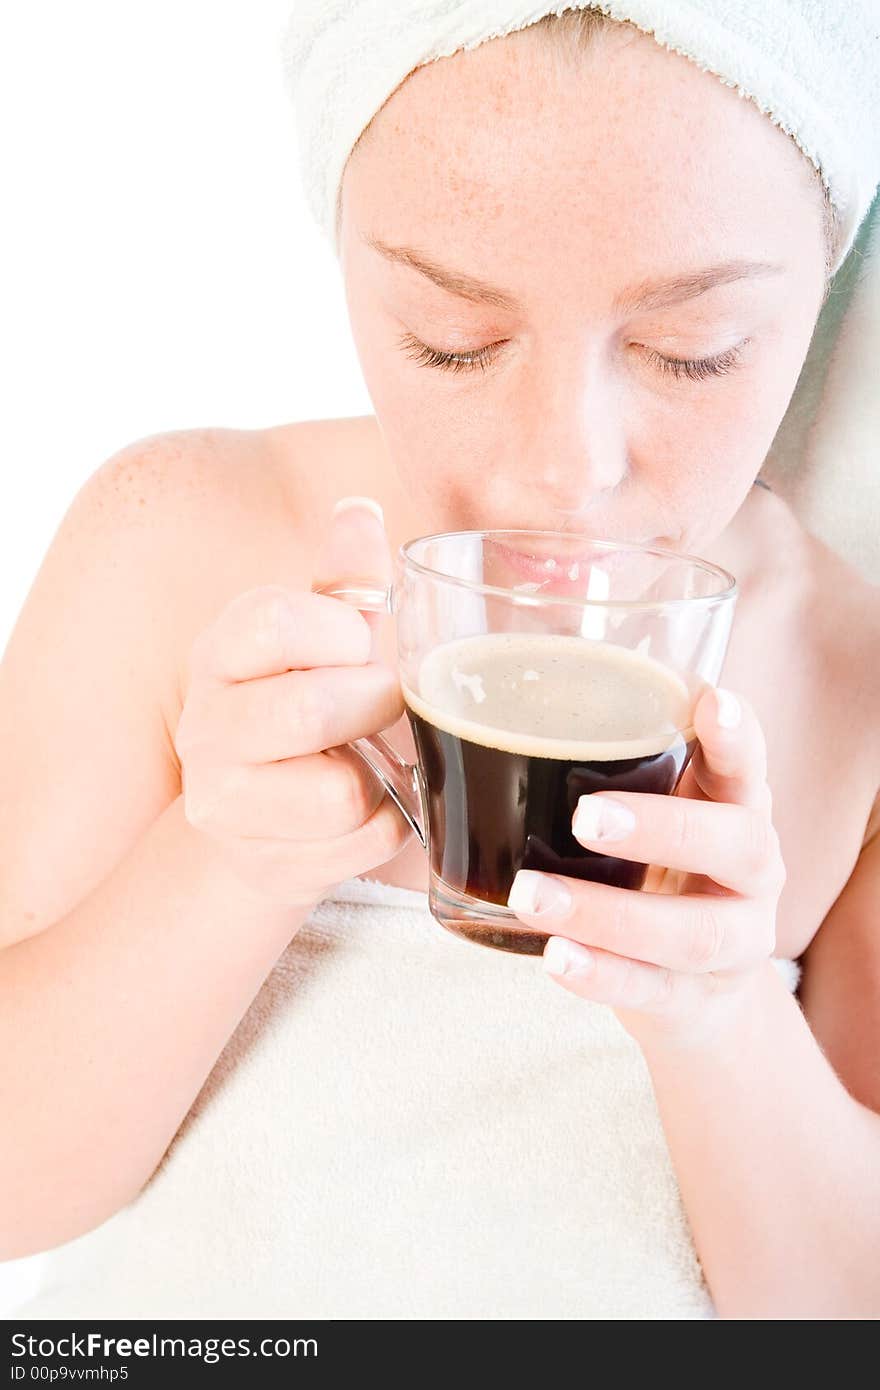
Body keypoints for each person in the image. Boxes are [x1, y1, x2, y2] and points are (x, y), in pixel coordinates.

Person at [2, 2, 879, 1320]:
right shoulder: (174, 542)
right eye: (450, 339)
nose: (563, 469)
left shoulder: (850, 682)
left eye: (693, 350)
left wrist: (721, 1016)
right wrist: (224, 860)